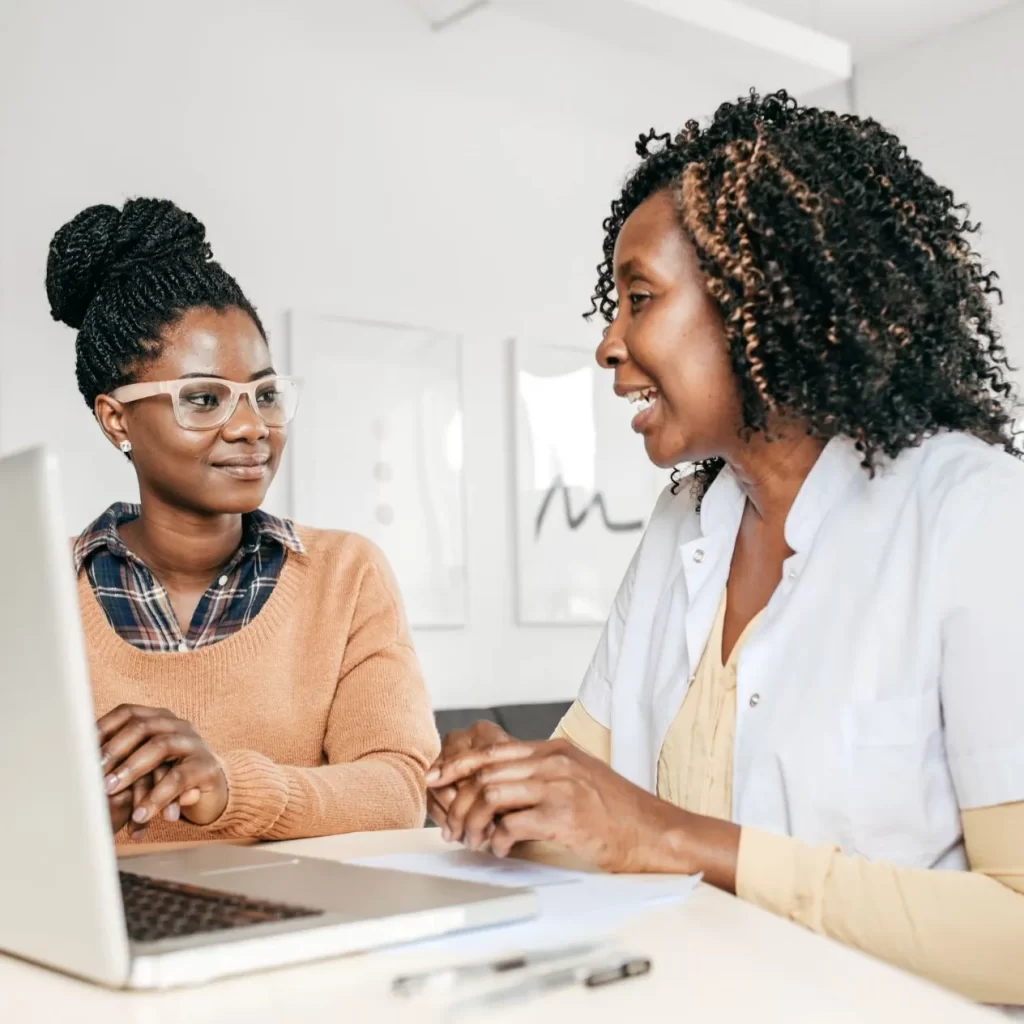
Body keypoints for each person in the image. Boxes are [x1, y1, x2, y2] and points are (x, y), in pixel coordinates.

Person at [426, 91, 1024, 1005]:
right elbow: (586, 817)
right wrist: (500, 786)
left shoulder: (971, 516)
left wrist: (667, 837)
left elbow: (1015, 929)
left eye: (640, 300)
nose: (608, 344)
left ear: (760, 297)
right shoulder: (683, 526)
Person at [47, 197, 439, 844]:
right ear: (116, 419)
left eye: (264, 394)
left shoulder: (344, 575)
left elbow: (399, 790)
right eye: (203, 399)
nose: (251, 426)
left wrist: (227, 788)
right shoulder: (35, 591)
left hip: (293, 931)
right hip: (87, 934)